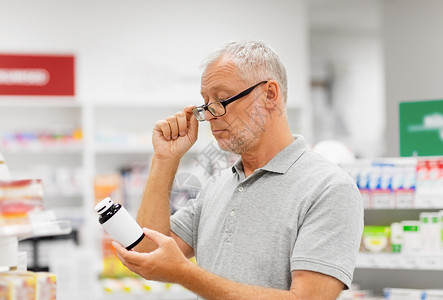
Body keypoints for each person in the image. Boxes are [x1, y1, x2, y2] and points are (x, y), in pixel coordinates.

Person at [112, 40, 364, 300]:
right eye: (206, 103)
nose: (209, 115)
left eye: (221, 100)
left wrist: (185, 274)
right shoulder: (217, 186)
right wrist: (165, 160)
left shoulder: (329, 189)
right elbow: (147, 252)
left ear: (269, 94)